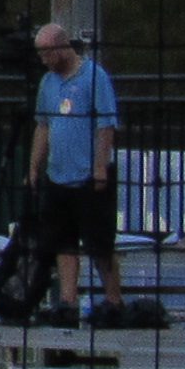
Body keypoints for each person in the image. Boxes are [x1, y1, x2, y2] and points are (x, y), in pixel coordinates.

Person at [15, 22, 121, 318]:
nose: (43, 60)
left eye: (47, 53)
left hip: (90, 177)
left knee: (100, 244)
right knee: (63, 242)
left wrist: (101, 166)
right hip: (57, 176)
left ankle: (114, 300)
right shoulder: (47, 83)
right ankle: (68, 301)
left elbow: (106, 125)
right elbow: (43, 126)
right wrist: (34, 167)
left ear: (62, 47)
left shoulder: (94, 77)